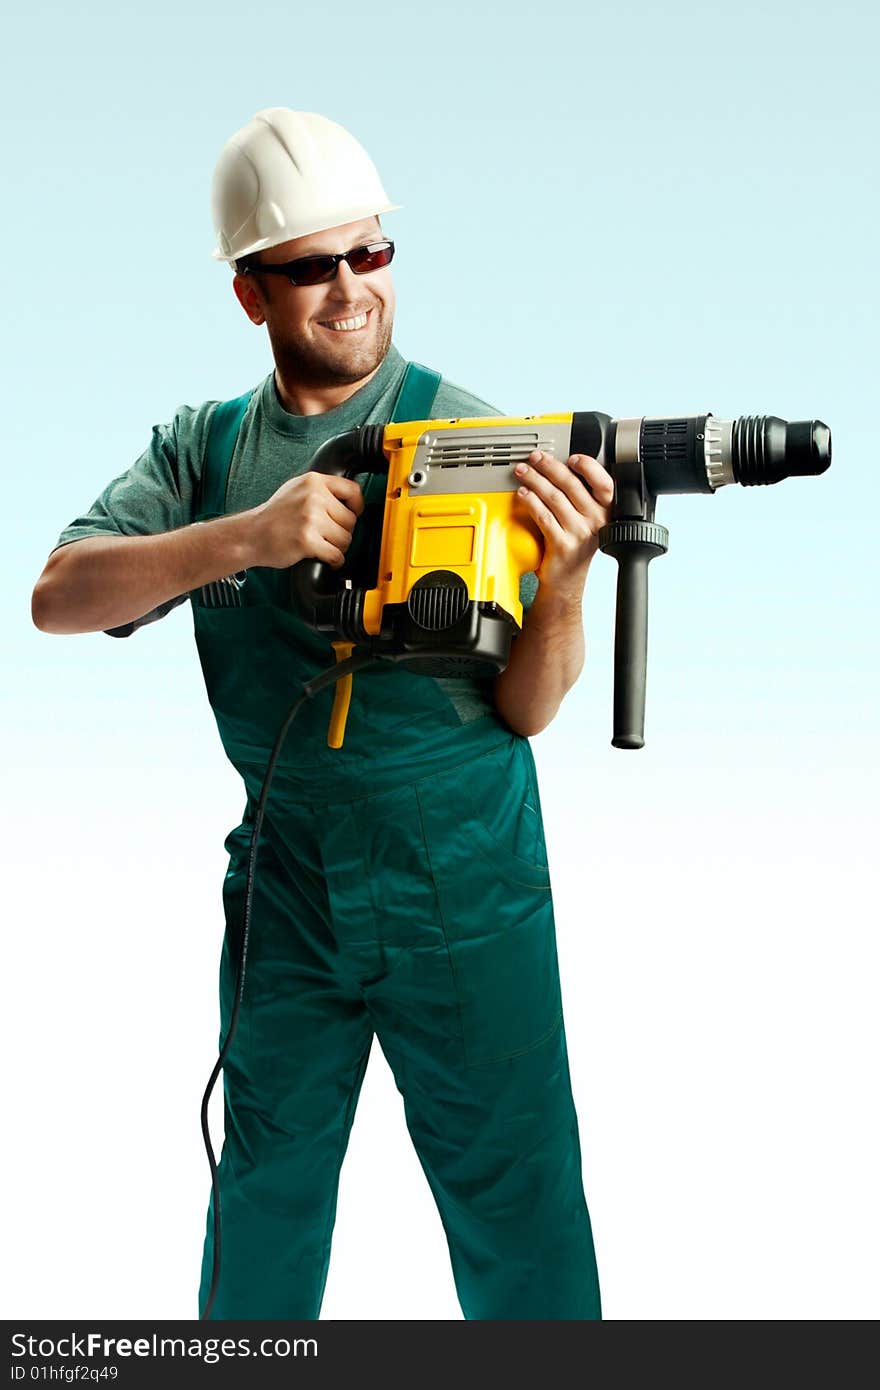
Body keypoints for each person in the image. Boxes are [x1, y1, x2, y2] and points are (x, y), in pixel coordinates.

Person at [31, 108, 613, 1320]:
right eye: (311, 265)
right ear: (250, 293)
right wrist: (249, 534)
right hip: (289, 888)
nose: (352, 290)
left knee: (518, 1204)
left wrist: (558, 584)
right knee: (265, 1193)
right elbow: (56, 596)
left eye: (372, 254)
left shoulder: (477, 439)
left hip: (465, 884)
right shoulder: (206, 450)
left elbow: (528, 705)